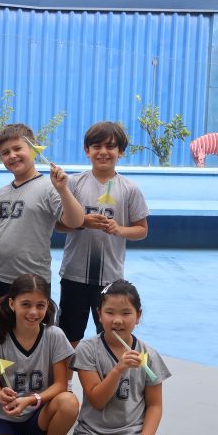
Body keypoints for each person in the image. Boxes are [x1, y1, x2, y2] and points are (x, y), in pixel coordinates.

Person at [70, 280, 170, 435]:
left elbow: (155, 406)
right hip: (95, 434)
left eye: (126, 313)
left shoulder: (149, 355)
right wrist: (118, 369)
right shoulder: (88, 349)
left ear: (138, 315)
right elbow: (97, 400)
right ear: (99, 314)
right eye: (110, 312)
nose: (117, 320)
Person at [56, 122, 150, 354]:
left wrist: (119, 229)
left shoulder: (129, 189)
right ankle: (66, 376)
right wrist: (82, 222)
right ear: (87, 150)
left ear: (121, 152)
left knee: (111, 337)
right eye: (96, 146)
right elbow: (58, 225)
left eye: (110, 147)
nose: (103, 152)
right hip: (74, 274)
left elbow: (141, 230)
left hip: (110, 278)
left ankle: (108, 375)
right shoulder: (73, 184)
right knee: (69, 337)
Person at [0, 274, 78, 435]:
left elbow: (61, 385)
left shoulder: (54, 335)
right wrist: (0, 395)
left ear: (47, 306)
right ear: (12, 304)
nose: (33, 312)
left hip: (37, 416)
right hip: (6, 417)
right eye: (26, 304)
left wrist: (31, 400)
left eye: (40, 305)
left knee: (69, 401)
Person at [0, 124, 84, 310]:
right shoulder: (2, 193)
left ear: (34, 149)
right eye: (5, 152)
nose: (12, 155)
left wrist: (63, 190)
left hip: (33, 281)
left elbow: (75, 221)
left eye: (17, 148)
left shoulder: (49, 187)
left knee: (31, 324)